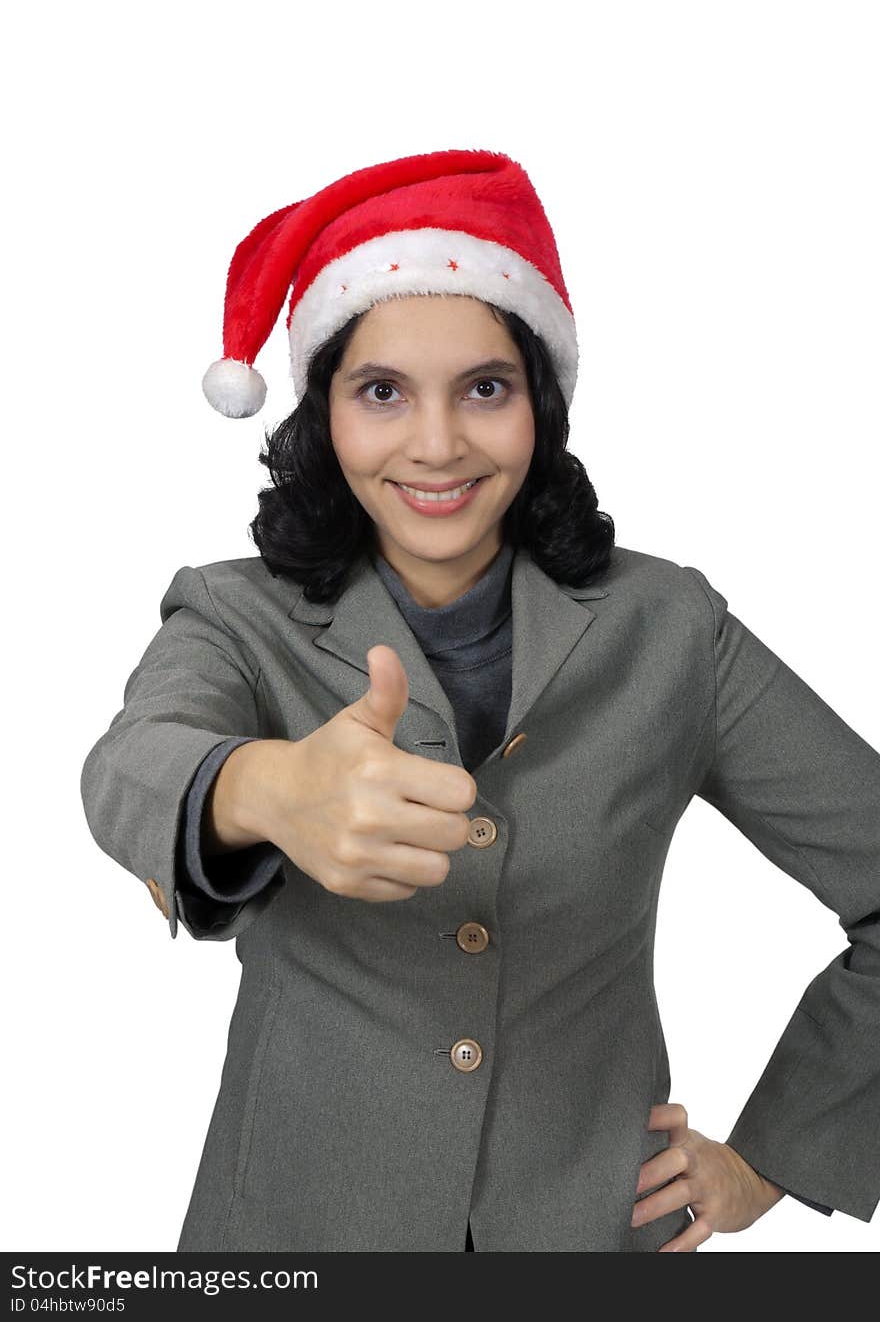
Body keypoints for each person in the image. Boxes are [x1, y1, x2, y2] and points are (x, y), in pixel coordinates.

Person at [80, 149, 880, 1252]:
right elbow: (130, 764)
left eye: (485, 389)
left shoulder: (671, 628)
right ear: (326, 414)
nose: (438, 443)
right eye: (381, 393)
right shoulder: (236, 616)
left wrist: (773, 1158)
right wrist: (263, 787)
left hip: (583, 1235)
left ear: (538, 406)